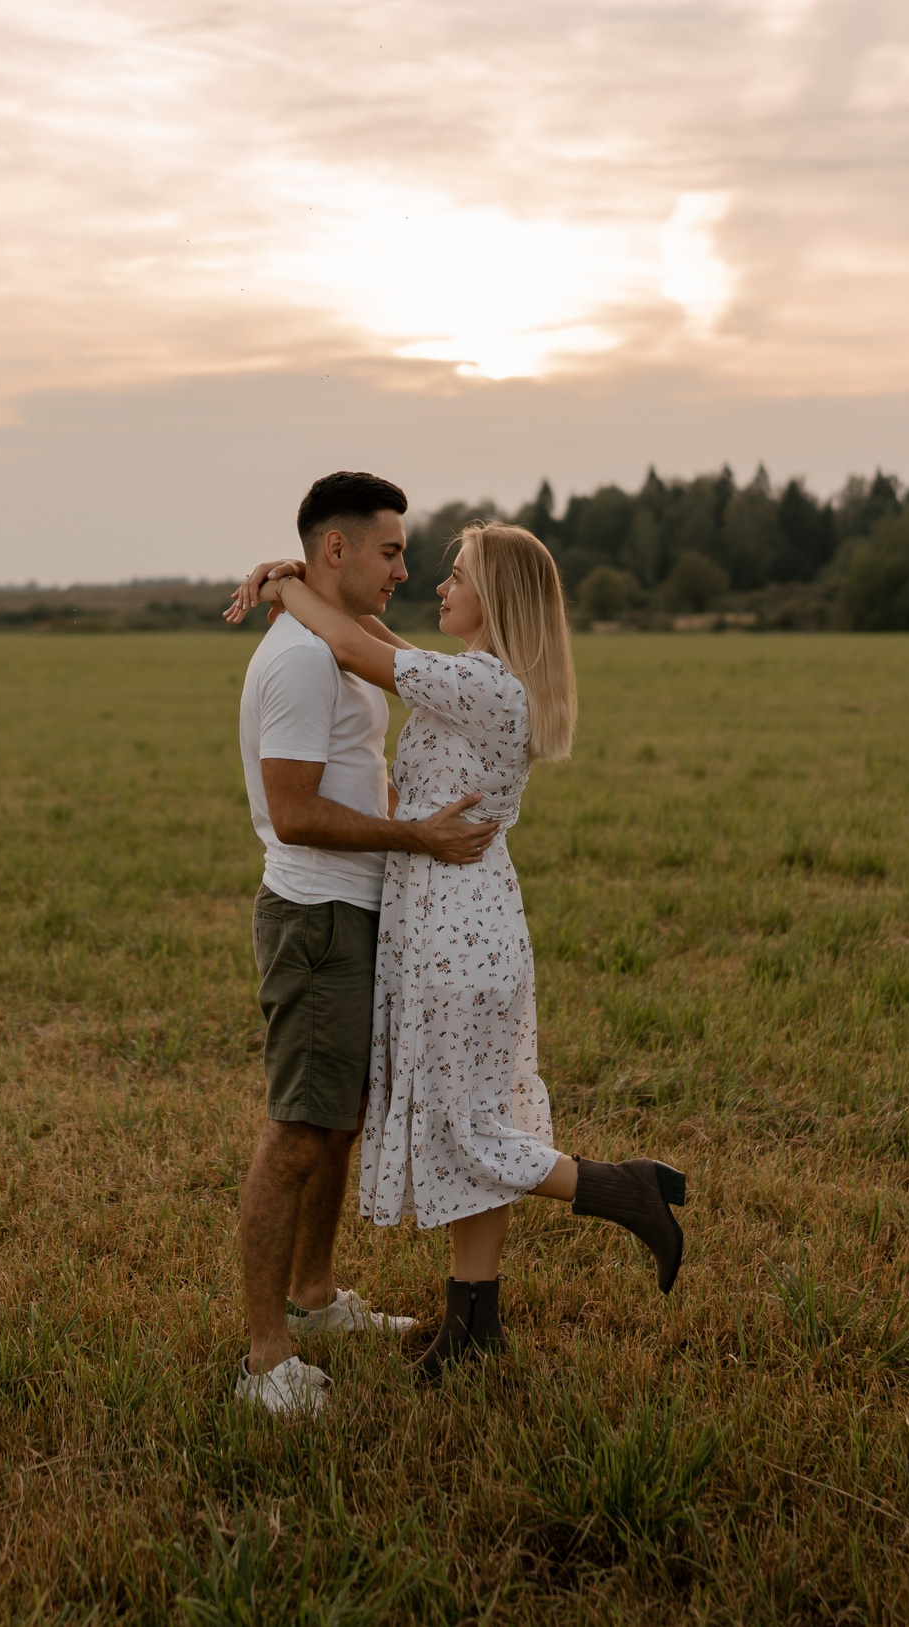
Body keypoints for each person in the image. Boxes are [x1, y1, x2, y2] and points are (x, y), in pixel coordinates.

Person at [229, 519, 689, 1384]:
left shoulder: (486, 688)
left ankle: (625, 1189)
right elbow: (384, 646)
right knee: (472, 1117)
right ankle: (473, 1331)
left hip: (455, 927)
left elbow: (360, 650)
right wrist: (306, 586)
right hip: (451, 916)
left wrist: (288, 586)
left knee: (464, 1126)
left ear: (497, 600)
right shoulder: (479, 678)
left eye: (459, 575)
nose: (439, 586)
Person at [230, 471, 507, 1418]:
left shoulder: (329, 644)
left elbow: (381, 660)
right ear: (337, 549)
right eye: (389, 550)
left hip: (354, 915)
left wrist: (287, 584)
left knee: (336, 1120)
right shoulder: (305, 661)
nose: (403, 567)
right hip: (319, 918)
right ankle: (267, 1361)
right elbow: (297, 813)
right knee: (297, 1130)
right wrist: (418, 837)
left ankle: (311, 1301)